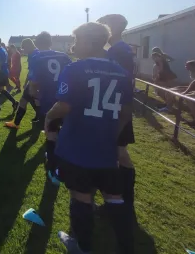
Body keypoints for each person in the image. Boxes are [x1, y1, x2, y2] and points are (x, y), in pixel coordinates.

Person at [47, 22, 134, 254]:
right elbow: (126, 112)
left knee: (81, 196)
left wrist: (48, 119)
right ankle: (126, 247)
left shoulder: (76, 69)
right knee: (114, 197)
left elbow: (63, 106)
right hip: (106, 147)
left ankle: (82, 247)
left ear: (88, 41)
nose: (74, 46)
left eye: (77, 41)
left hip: (76, 145)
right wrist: (112, 135)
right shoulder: (121, 72)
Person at [97, 14, 138, 219]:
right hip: (114, 107)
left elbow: (121, 82)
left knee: (120, 153)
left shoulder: (119, 51)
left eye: (105, 25)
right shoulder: (116, 50)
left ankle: (125, 200)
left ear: (115, 27)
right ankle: (120, 198)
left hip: (118, 109)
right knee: (117, 153)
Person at [16, 37, 71, 185]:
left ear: (38, 44)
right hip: (64, 98)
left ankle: (54, 171)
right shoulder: (63, 56)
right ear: (50, 43)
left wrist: (36, 95)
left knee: (51, 133)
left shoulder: (38, 57)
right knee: (62, 130)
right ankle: (62, 161)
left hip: (48, 98)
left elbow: (33, 83)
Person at [5, 37, 41, 127]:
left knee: (25, 100)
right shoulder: (35, 53)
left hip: (35, 82)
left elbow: (34, 72)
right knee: (32, 100)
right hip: (36, 81)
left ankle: (16, 123)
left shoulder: (34, 55)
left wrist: (30, 84)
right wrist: (26, 83)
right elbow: (31, 71)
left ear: (29, 46)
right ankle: (40, 118)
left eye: (24, 48)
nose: (23, 50)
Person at [0, 37, 18, 111]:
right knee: (0, 89)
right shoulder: (3, 50)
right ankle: (14, 102)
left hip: (0, 73)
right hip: (4, 72)